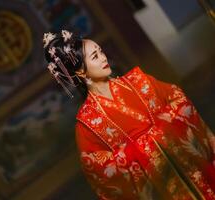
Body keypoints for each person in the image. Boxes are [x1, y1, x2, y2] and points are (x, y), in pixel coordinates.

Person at [43, 30, 215, 200]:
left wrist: (159, 131)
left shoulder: (140, 81)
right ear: (80, 72)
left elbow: (177, 98)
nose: (103, 58)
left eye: (101, 51)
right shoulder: (88, 124)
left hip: (192, 171)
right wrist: (150, 144)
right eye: (95, 57)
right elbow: (99, 170)